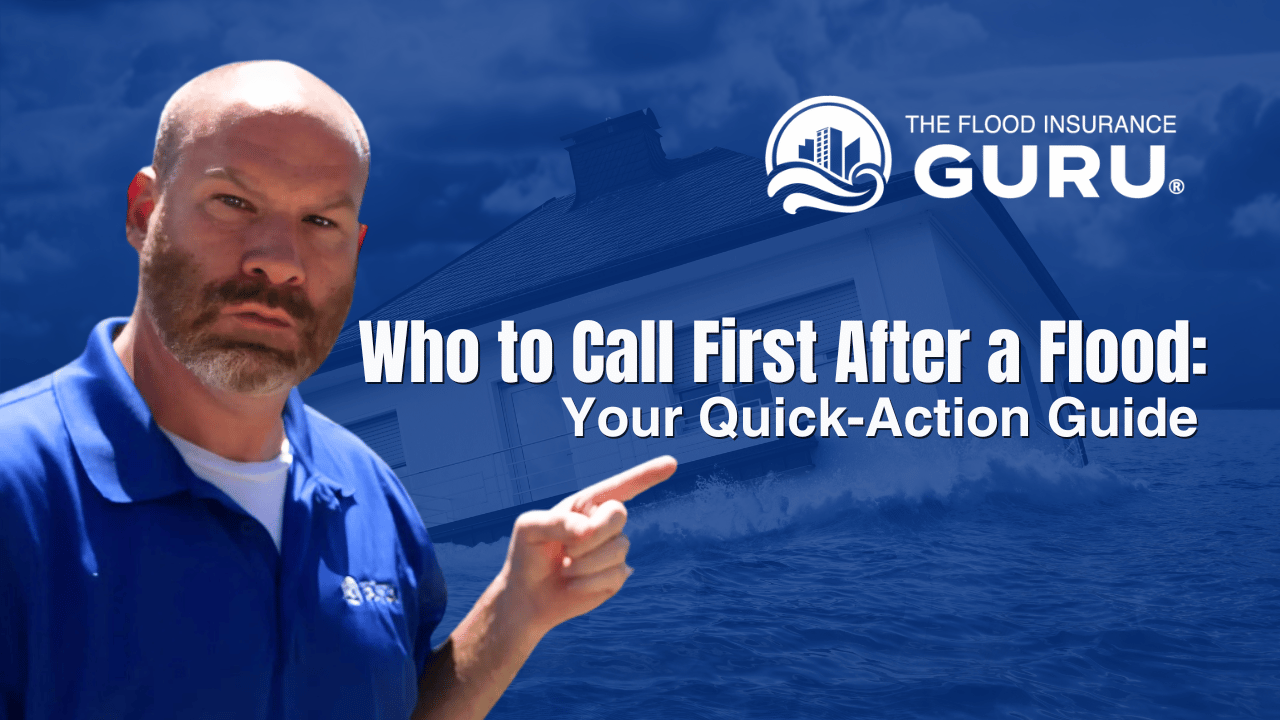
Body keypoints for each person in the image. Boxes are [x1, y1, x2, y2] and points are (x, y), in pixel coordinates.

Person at [0, 60, 676, 720]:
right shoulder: (17, 488)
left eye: (320, 223)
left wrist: (514, 613)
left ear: (354, 248)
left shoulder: (372, 496)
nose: (279, 259)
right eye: (234, 202)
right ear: (146, 213)